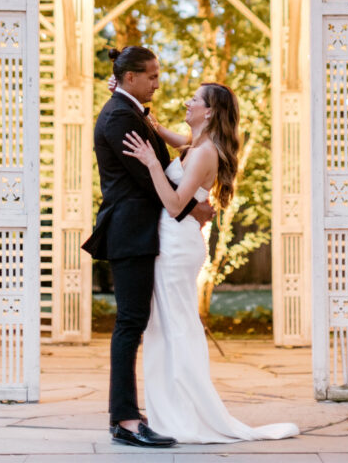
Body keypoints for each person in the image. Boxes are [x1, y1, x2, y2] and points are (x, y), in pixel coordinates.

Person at [123, 81, 299, 444]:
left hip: (176, 246)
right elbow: (163, 133)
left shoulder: (204, 154)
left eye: (195, 100)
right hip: (172, 245)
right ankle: (171, 410)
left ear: (210, 112)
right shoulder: (196, 146)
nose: (187, 102)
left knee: (176, 327)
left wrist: (152, 164)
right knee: (164, 327)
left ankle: (188, 414)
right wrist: (126, 94)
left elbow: (174, 207)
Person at [81, 45, 213, 449]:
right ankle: (125, 419)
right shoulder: (120, 117)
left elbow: (160, 148)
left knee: (135, 323)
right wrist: (194, 209)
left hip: (142, 233)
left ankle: (134, 412)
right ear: (132, 77)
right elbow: (147, 180)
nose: (158, 82)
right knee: (130, 324)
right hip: (131, 234)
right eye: (152, 76)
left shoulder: (128, 109)